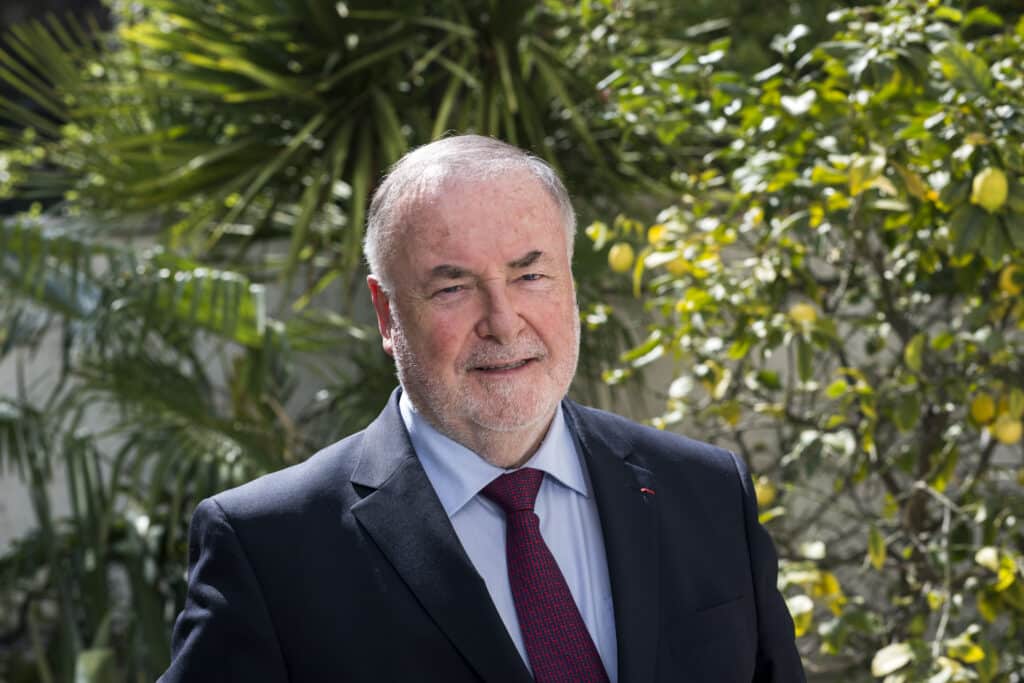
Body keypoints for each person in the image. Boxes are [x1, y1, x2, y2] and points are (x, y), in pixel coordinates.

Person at [160, 135, 806, 682]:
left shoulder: (706, 491)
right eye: (453, 287)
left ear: (571, 283)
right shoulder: (270, 547)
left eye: (530, 276)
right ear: (386, 313)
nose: (503, 321)